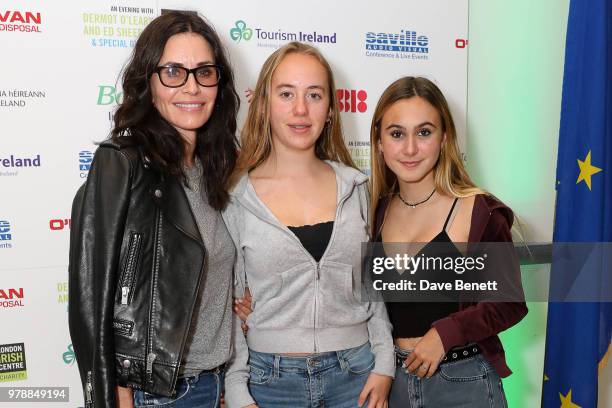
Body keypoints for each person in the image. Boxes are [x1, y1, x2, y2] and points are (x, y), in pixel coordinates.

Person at [68, 11, 239, 408]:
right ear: (149, 81)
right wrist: (117, 396)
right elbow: (91, 300)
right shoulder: (122, 164)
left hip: (214, 385)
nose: (192, 87)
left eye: (204, 72)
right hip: (154, 395)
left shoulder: (215, 169)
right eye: (174, 72)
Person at [222, 42, 395, 408]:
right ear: (264, 105)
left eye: (314, 95)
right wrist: (237, 389)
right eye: (287, 94)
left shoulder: (355, 187)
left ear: (330, 109)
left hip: (356, 374)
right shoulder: (235, 197)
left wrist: (384, 365)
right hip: (269, 380)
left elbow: (372, 287)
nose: (301, 109)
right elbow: (229, 303)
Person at [368, 76, 527, 407]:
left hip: (463, 384)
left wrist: (447, 333)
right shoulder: (373, 211)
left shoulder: (478, 210)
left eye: (424, 132)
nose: (410, 148)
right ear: (380, 142)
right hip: (391, 386)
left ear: (444, 139)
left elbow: (510, 303)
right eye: (397, 134)